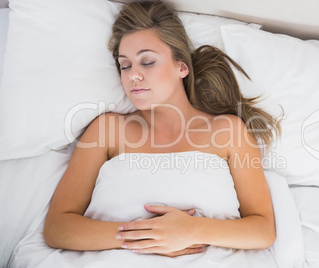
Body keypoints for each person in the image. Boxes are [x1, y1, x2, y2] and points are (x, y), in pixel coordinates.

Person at [43, 0, 281, 261]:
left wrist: (191, 231)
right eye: (125, 65)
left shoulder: (227, 131)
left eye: (147, 62)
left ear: (181, 67)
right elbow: (58, 228)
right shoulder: (107, 130)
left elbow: (263, 229)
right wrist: (147, 237)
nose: (133, 75)